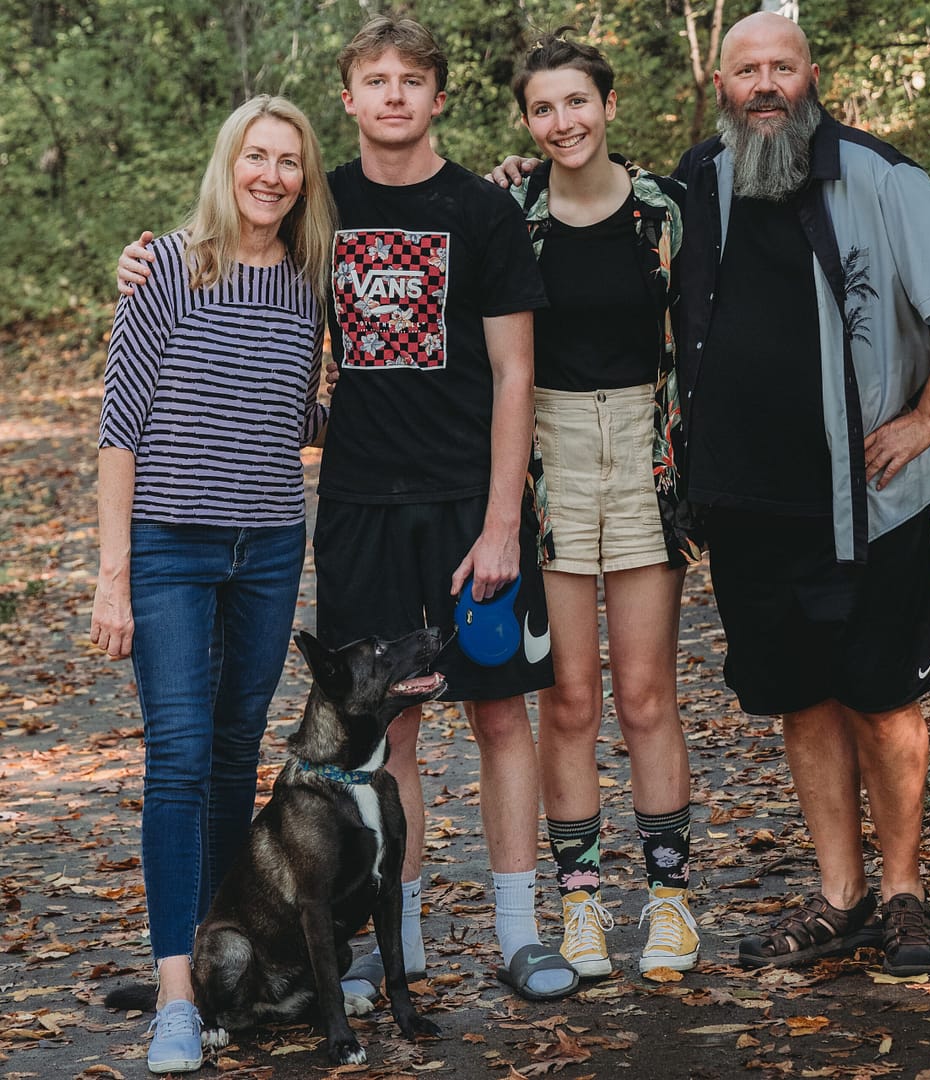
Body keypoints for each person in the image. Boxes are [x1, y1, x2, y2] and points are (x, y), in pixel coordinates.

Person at [495, 11, 930, 977]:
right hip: (744, 503)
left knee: (884, 698)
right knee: (802, 697)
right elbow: (600, 206)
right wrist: (513, 182)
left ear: (811, 75)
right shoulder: (700, 182)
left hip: (867, 494)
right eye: (746, 71)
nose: (764, 84)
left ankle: (904, 895)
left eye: (781, 67)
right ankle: (839, 896)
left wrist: (927, 418)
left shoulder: (875, 173)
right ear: (720, 85)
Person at [118, 15, 578, 1005]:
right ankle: (399, 944)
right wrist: (145, 262)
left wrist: (504, 521)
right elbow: (232, 261)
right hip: (360, 505)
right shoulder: (324, 214)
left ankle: (519, 931)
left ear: (439, 96)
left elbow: (514, 372)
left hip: (467, 505)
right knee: (389, 737)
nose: (397, 95)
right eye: (378, 80)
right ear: (351, 98)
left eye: (415, 80)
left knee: (502, 717)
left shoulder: (482, 213)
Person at [92, 94, 335, 1073]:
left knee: (237, 752)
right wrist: (113, 574)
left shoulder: (309, 281)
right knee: (180, 756)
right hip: (167, 548)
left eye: (290, 162)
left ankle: (231, 962)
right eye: (256, 156)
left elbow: (296, 413)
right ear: (228, 163)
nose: (271, 175)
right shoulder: (170, 269)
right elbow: (120, 427)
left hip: (270, 544)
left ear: (305, 179)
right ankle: (178, 992)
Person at [505, 31, 700, 979]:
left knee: (645, 694)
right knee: (571, 699)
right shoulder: (512, 212)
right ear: (529, 123)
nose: (562, 122)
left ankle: (669, 903)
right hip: (548, 459)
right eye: (543, 108)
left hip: (645, 453)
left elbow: (702, 333)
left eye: (576, 102)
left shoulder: (664, 211)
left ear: (609, 106)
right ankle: (581, 904)